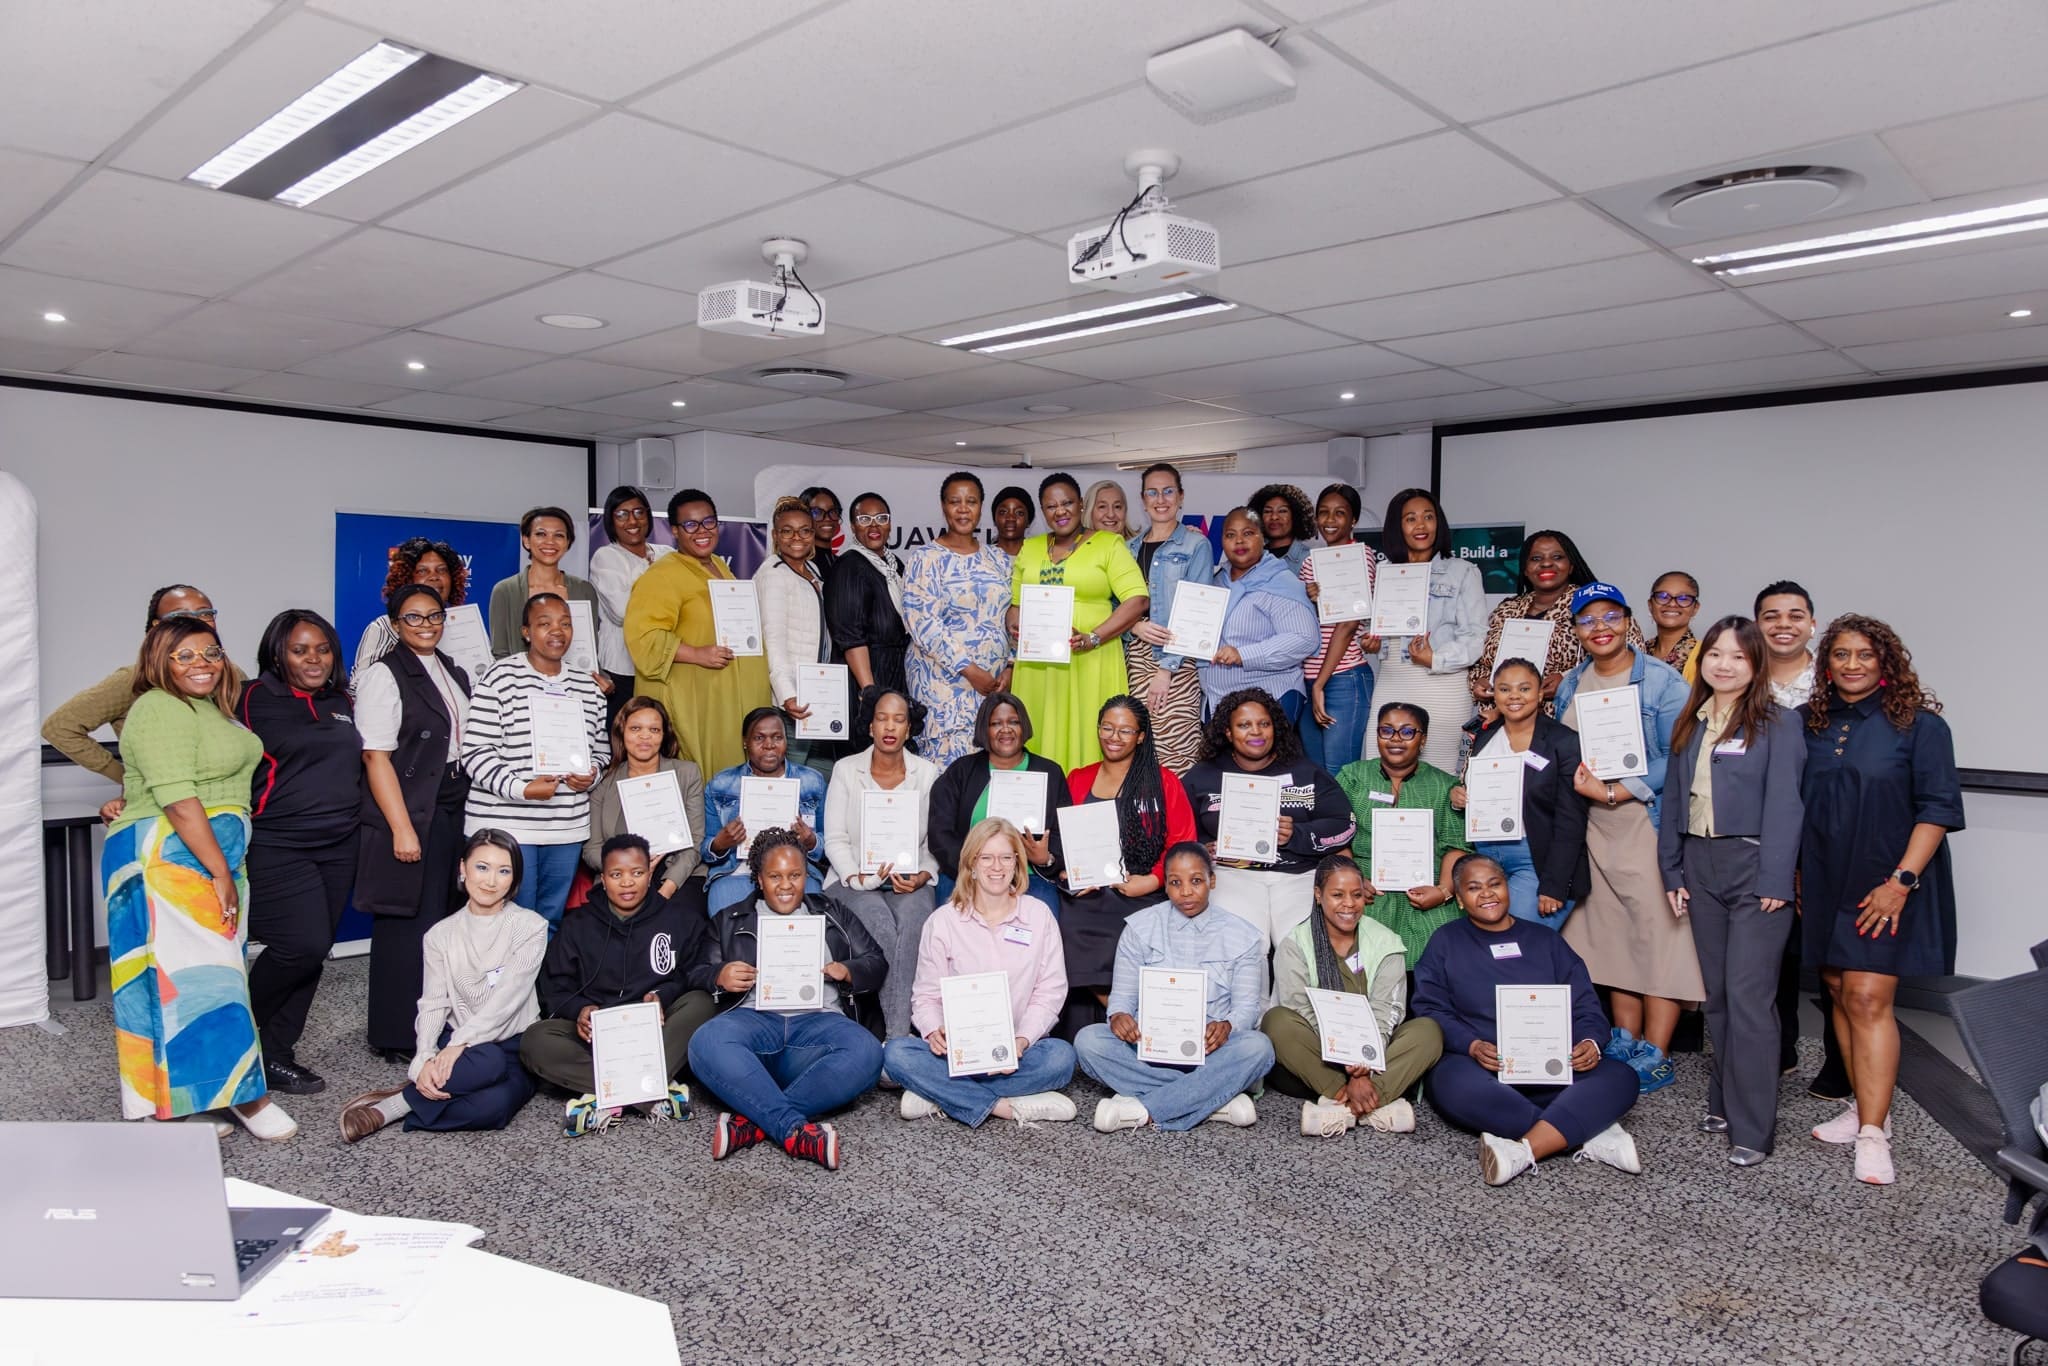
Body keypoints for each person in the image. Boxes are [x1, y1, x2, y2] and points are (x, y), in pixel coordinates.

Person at [102, 616, 295, 1139]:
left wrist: (225, 864)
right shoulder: (157, 707)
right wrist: (218, 870)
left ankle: (183, 1100)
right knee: (208, 981)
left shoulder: (208, 708)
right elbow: (179, 800)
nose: (201, 664)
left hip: (206, 854)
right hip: (172, 855)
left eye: (210, 652)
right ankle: (244, 1098)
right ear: (157, 662)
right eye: (184, 655)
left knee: (183, 981)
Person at [1799, 614, 1963, 1186]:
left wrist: (1901, 883)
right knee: (1840, 992)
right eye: (1840, 655)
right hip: (1823, 879)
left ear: (1886, 662)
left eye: (1864, 655)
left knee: (1868, 997)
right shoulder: (1809, 723)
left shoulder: (1920, 726)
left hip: (1887, 883)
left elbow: (1938, 809)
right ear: (1826, 665)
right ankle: (1865, 1109)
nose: (1851, 665)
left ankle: (1873, 1134)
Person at [1658, 617, 1806, 1166]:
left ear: (1756, 664)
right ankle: (1723, 1100)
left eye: (1738, 657)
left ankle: (1753, 1126)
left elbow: (1788, 805)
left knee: (1749, 1000)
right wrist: (1672, 873)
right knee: (1716, 995)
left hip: (1754, 867)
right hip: (1700, 863)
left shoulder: (1779, 724)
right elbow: (1673, 804)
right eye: (1715, 654)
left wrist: (1775, 878)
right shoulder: (1690, 723)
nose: (1724, 664)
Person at [1413, 854, 1642, 1186]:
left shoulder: (1546, 941)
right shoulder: (1445, 943)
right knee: (1449, 1085)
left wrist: (1589, 1042)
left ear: (1508, 887)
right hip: (1483, 1066)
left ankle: (1523, 1150)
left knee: (1621, 1077)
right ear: (1460, 900)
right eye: (1474, 888)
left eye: (1495, 884)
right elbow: (1430, 1008)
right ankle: (1587, 1131)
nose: (1487, 894)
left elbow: (1586, 1005)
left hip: (1556, 1065)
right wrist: (1472, 1045)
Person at [1554, 581, 1696, 1095]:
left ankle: (1657, 1051)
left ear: (1628, 621)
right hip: (1592, 828)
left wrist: (1617, 790)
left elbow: (1679, 756)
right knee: (1612, 938)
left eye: (1610, 617)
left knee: (1657, 937)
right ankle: (1625, 1038)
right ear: (1575, 631)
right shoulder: (1573, 682)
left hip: (1643, 822)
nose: (1600, 629)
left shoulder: (1662, 682)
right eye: (1588, 621)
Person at [686, 828, 889, 1172]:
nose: (785, 885)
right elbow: (695, 972)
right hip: (755, 1024)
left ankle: (755, 1120)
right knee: (705, 1042)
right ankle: (793, 1128)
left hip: (819, 1026)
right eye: (775, 876)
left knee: (867, 1052)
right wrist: (718, 975)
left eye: (795, 875)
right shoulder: (729, 919)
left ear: (805, 877)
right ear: (759, 880)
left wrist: (847, 970)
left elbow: (876, 962)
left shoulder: (832, 912)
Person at [338, 830, 548, 1140]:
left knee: (495, 1107)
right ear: (463, 869)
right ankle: (409, 1095)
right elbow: (434, 1002)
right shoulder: (440, 934)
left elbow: (508, 998)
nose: (491, 881)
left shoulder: (531, 926)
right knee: (486, 1070)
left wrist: (457, 1045)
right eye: (482, 867)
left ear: (514, 879)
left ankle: (402, 1100)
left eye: (504, 871)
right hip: (466, 1050)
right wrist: (423, 1056)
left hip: (510, 1041)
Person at [236, 609, 360, 1096]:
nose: (314, 659)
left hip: (340, 843)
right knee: (299, 945)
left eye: (323, 648)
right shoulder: (251, 698)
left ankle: (277, 1055)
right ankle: (238, 1031)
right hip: (279, 842)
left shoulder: (341, 700)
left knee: (314, 953)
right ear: (277, 654)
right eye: (300, 649)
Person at [883, 818, 1079, 1127]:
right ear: (971, 864)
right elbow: (926, 995)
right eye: (986, 857)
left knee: (1062, 1058)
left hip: (1018, 1051)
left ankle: (940, 1094)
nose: (996, 867)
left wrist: (1021, 1040)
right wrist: (934, 1032)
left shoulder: (1038, 916)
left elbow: (1050, 990)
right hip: (958, 1053)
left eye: (1006, 857)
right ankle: (1003, 1104)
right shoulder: (943, 921)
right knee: (896, 1053)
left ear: (1017, 863)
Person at [521, 834, 717, 1135]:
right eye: (616, 874)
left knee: (703, 1003)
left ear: (650, 873)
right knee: (535, 1040)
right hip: (597, 1038)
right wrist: (579, 1010)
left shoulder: (680, 919)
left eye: (637, 873)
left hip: (657, 1031)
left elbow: (692, 973)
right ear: (603, 876)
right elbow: (553, 989)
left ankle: (611, 1094)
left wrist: (663, 995)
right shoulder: (578, 925)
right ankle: (651, 1092)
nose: (627, 882)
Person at [1074, 842, 1275, 1131]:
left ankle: (1146, 1109)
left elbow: (1246, 1008)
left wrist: (1228, 1026)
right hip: (1149, 1046)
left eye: (1196, 881)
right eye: (1175, 883)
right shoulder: (1140, 927)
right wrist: (1119, 1016)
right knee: (1088, 1041)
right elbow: (1122, 997)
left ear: (1212, 881)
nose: (1186, 891)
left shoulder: (1241, 935)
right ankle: (1214, 1099)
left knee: (1259, 1048)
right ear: (1165, 885)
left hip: (1211, 1050)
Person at [355, 584, 472, 1062]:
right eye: (413, 618)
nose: (426, 625)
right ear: (395, 625)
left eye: (434, 616)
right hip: (412, 806)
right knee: (408, 922)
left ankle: (436, 1019)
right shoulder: (385, 674)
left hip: (452, 800)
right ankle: (396, 1033)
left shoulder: (452, 669)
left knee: (443, 917)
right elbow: (375, 757)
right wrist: (402, 828)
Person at [1263, 854, 1444, 1138]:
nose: (1349, 904)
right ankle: (1375, 1105)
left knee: (1428, 1031)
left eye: (1357, 895)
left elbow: (1388, 1011)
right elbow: (1300, 1011)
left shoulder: (1385, 941)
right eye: (1337, 894)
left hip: (1375, 1052)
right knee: (1277, 1022)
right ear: (1318, 895)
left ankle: (1339, 1108)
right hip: (1320, 1052)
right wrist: (1346, 1060)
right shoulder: (1295, 944)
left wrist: (1363, 1063)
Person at [461, 593, 610, 934]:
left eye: (565, 623)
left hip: (565, 825)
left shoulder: (587, 687)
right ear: (526, 631)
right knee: (507, 919)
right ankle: (498, 990)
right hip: (507, 823)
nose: (556, 631)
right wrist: (522, 788)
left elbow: (601, 750)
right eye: (544, 624)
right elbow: (475, 752)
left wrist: (592, 775)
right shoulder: (500, 678)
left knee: (549, 922)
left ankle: (539, 989)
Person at [1182, 687, 1354, 961]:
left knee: (1298, 948)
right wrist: (1202, 849)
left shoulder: (1304, 771)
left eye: (1264, 724)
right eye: (1244, 725)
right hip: (1233, 874)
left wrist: (1296, 834)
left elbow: (1344, 825)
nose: (1256, 732)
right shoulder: (1203, 776)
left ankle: (1291, 1006)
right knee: (1244, 945)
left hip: (1297, 874)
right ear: (1228, 732)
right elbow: (1179, 832)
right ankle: (1251, 1005)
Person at [1059, 696, 1197, 1031]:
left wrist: (1152, 880)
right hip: (1090, 888)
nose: (1113, 736)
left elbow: (1184, 845)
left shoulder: (1164, 782)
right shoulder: (1077, 779)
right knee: (1068, 924)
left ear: (1141, 736)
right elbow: (1062, 840)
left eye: (1124, 730)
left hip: (1145, 887)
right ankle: (1129, 1019)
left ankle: (1137, 1019)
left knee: (1137, 927)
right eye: (1107, 727)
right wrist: (1070, 871)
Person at [1007, 473, 1150, 773]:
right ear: (1043, 511)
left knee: (1089, 731)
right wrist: (1013, 623)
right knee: (1038, 731)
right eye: (1051, 506)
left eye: (1067, 502)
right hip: (1038, 666)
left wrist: (1094, 637)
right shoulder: (1029, 548)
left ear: (1081, 504)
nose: (1060, 511)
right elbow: (1016, 604)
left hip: (1091, 660)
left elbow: (1137, 600)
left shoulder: (1108, 544)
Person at [1754, 579, 1837, 1088]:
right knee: (1773, 948)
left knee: (1829, 951)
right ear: (1757, 624)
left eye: (1794, 615)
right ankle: (1780, 1049)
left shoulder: (1835, 681)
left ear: (1812, 622)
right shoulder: (1743, 679)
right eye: (1771, 615)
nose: (1783, 624)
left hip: (1827, 828)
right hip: (1762, 829)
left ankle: (1841, 1060)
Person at [625, 489, 771, 777]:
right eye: (690, 525)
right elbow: (644, 638)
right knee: (703, 783)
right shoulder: (661, 576)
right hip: (697, 702)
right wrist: (695, 653)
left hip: (729, 700)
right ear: (675, 531)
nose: (701, 531)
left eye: (708, 522)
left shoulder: (718, 566)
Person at [822, 688, 940, 1038]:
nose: (890, 726)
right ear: (870, 726)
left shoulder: (927, 773)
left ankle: (896, 1040)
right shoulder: (846, 769)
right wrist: (858, 877)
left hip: (909, 881)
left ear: (908, 729)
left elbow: (934, 843)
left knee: (915, 921)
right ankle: (898, 1037)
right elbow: (835, 839)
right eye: (882, 718)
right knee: (880, 922)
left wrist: (922, 874)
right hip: (853, 878)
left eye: (899, 719)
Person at [44, 584, 217, 803]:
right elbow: (59, 727)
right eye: (181, 615)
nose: (197, 621)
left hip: (225, 805)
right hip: (161, 806)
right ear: (156, 627)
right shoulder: (135, 678)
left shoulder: (227, 674)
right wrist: (128, 777)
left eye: (205, 613)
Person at [1451, 658, 1587, 929]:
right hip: (1486, 854)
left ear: (1539, 694)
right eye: (1504, 689)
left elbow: (1571, 819)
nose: (1514, 696)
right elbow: (1473, 786)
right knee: (1489, 945)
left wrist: (1555, 884)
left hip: (1535, 859)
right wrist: (1459, 796)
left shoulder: (1563, 741)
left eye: (1524, 689)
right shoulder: (1486, 736)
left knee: (1517, 943)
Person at [1334, 703, 1469, 968]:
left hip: (1426, 888)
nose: (1395, 739)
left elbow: (1455, 846)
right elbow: (1337, 837)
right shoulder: (1352, 777)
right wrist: (1354, 880)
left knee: (1441, 945)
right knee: (1357, 956)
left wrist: (1442, 892)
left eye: (1407, 732)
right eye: (1387, 731)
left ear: (1423, 739)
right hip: (1365, 886)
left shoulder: (1444, 785)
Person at [1468, 530, 1639, 724]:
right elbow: (1480, 660)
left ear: (1571, 565)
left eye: (1557, 557)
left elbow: (1630, 657)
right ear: (1524, 568)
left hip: (1568, 719)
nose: (1546, 563)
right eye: (1536, 558)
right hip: (1504, 719)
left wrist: (1568, 680)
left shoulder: (1594, 605)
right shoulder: (1506, 610)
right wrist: (1479, 681)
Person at [1370, 488, 1486, 772]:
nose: (1421, 525)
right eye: (1411, 519)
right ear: (1398, 527)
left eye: (1428, 517)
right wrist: (1370, 642)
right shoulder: (1384, 573)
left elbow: (1476, 637)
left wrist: (1435, 659)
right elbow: (1382, 635)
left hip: (1442, 687)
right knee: (1382, 771)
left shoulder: (1463, 571)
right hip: (1392, 682)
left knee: (1439, 773)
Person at [904, 472, 1014, 768]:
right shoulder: (925, 559)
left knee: (986, 772)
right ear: (943, 506)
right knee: (949, 776)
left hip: (993, 687)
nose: (963, 509)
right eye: (955, 502)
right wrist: (969, 669)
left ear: (981, 507)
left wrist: (1011, 665)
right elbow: (922, 623)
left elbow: (1015, 615)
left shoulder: (1000, 560)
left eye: (971, 501)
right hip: (944, 686)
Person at [927, 691, 1067, 908]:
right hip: (966, 876)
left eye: (1014, 722)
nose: (1006, 729)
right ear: (985, 729)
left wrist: (1045, 859)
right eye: (995, 723)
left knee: (1037, 932)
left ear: (1024, 727)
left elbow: (1062, 835)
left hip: (1031, 878)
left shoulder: (1050, 772)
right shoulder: (961, 771)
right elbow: (940, 833)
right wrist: (972, 869)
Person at [1124, 462, 1213, 774]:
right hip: (1136, 657)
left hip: (1177, 659)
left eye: (1168, 491)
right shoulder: (1129, 548)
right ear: (1143, 499)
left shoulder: (1196, 544)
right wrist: (1134, 625)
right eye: (1152, 492)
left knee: (1178, 747)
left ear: (1181, 496)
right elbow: (1117, 605)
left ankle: (1182, 820)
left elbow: (1197, 613)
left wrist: (1166, 670)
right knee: (1142, 742)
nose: (1160, 499)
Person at [582, 696, 706, 916]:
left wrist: (663, 893)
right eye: (636, 728)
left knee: (675, 921)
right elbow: (591, 849)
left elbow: (695, 843)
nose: (645, 736)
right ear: (622, 732)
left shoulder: (687, 773)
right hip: (620, 877)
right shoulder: (604, 783)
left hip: (675, 873)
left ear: (663, 735)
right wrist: (626, 871)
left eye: (654, 730)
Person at [701, 707, 829, 917]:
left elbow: (827, 845)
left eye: (777, 737)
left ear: (786, 741)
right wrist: (720, 844)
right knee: (730, 929)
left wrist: (810, 841)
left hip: (793, 874)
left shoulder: (811, 781)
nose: (769, 745)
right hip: (737, 872)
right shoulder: (721, 784)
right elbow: (706, 849)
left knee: (803, 924)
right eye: (759, 738)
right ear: (745, 742)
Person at [1200, 508, 1319, 725]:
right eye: (1230, 535)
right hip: (1217, 700)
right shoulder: (1214, 583)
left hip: (1271, 696)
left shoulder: (1282, 582)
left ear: (1263, 538)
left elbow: (1304, 639)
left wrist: (1244, 654)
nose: (1239, 541)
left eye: (1248, 533)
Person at [1297, 482, 1376, 775]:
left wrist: (1320, 682)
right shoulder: (1309, 564)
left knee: (1340, 774)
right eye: (1324, 513)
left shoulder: (1361, 556)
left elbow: (1348, 623)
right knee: (1316, 774)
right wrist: (1308, 600)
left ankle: (1347, 824)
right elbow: (1303, 622)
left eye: (1339, 513)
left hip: (1343, 677)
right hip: (1307, 679)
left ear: (1353, 519)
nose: (1330, 521)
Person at [824, 491, 912, 733]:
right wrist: (870, 694)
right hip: (866, 680)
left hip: (895, 673)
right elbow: (850, 638)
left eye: (881, 518)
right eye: (865, 519)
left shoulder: (895, 565)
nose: (874, 526)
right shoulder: (848, 568)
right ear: (853, 526)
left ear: (890, 524)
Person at [754, 495, 832, 765]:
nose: (796, 537)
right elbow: (772, 640)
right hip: (792, 702)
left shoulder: (811, 569)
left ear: (812, 534)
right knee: (792, 776)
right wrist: (788, 694)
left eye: (804, 530)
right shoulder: (774, 574)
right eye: (787, 531)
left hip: (817, 694)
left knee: (818, 780)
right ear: (776, 535)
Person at [588, 485, 674, 725]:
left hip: (664, 666)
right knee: (623, 743)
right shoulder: (606, 557)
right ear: (610, 520)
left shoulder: (666, 553)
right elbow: (624, 611)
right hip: (622, 669)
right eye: (622, 514)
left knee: (660, 737)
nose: (632, 521)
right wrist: (649, 572)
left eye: (638, 512)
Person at [488, 506, 599, 663]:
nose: (550, 542)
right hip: (520, 684)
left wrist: (599, 678)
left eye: (559, 535)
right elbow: (500, 652)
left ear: (568, 543)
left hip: (573, 683)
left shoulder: (584, 590)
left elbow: (591, 649)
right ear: (526, 540)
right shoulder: (505, 590)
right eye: (541, 534)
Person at [354, 538, 466, 679]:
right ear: (406, 578)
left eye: (441, 570)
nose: (434, 577)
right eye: (422, 571)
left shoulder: (465, 623)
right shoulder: (384, 627)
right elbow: (360, 685)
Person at [1647, 572, 1703, 681]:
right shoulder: (1638, 652)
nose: (1672, 604)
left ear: (1695, 608)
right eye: (1663, 596)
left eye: (1683, 598)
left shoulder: (1704, 655)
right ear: (1650, 605)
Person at [1250, 483, 1314, 572]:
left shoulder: (1311, 559)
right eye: (1268, 511)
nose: (1274, 517)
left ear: (1296, 516)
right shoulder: (1250, 557)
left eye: (1282, 511)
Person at [801, 485, 843, 580]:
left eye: (832, 511)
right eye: (816, 512)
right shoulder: (798, 563)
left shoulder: (844, 563)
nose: (827, 518)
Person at [990, 484, 1034, 559]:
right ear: (994, 519)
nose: (1010, 518)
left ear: (1029, 521)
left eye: (1019, 513)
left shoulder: (1040, 558)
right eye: (1003, 512)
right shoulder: (981, 557)